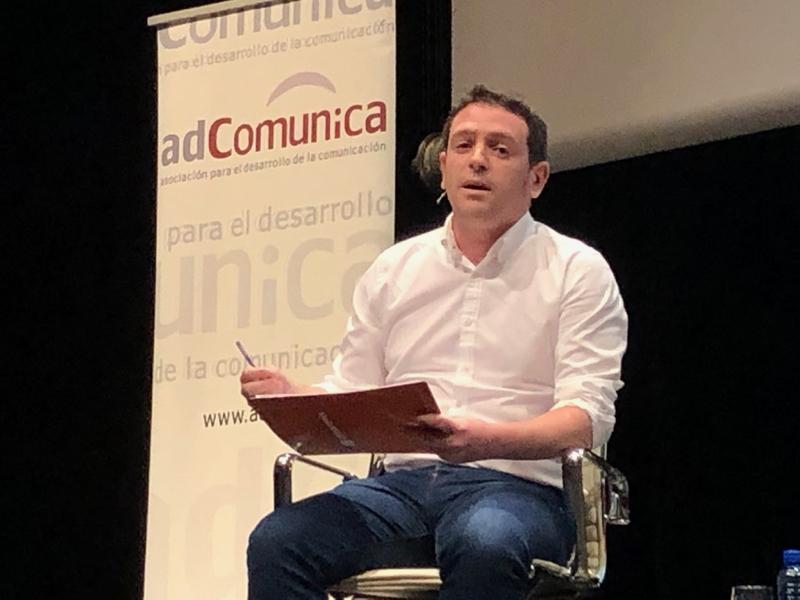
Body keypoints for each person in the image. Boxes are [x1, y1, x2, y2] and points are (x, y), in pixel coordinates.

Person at [240, 84, 628, 599]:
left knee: (484, 541)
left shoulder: (576, 270)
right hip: (399, 489)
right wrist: (294, 397)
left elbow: (585, 420)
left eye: (500, 149)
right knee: (278, 540)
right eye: (463, 146)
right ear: (443, 167)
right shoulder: (395, 268)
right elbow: (354, 387)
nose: (478, 160)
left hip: (520, 489)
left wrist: (485, 441)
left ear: (536, 178)